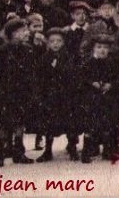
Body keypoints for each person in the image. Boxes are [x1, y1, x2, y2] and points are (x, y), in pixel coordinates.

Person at [0, 17, 36, 167]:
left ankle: (18, 151)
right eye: (23, 31)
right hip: (6, 91)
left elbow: (30, 71)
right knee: (5, 124)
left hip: (21, 91)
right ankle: (1, 152)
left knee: (20, 123)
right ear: (13, 33)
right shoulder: (2, 51)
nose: (26, 33)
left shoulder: (28, 49)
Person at [34, 28, 76, 162]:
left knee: (70, 123)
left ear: (63, 42)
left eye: (59, 41)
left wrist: (57, 68)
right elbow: (40, 77)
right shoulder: (44, 58)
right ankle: (48, 150)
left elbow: (72, 74)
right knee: (48, 123)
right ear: (48, 43)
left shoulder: (69, 56)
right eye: (52, 41)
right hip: (50, 95)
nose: (55, 44)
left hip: (66, 95)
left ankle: (72, 147)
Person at [79, 34, 119, 163]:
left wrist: (110, 84)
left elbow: (117, 77)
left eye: (105, 47)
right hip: (93, 98)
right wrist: (92, 83)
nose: (102, 50)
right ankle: (88, 149)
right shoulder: (88, 63)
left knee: (109, 122)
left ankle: (108, 148)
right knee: (91, 124)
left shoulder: (112, 63)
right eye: (99, 47)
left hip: (108, 97)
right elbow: (82, 78)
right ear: (93, 49)